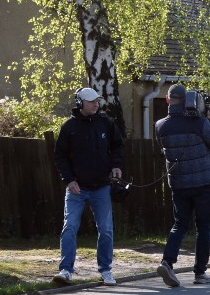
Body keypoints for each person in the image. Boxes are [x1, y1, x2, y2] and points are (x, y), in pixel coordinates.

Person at [52, 88, 123, 286]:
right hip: (76, 188)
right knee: (70, 227)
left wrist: (116, 165)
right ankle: (66, 270)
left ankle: (106, 270)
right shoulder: (69, 127)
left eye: (97, 101)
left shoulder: (106, 123)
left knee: (106, 229)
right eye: (91, 101)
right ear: (80, 102)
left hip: (101, 187)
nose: (96, 104)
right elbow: (60, 156)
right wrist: (69, 179)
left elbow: (118, 145)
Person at [154, 84, 210, 286]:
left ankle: (167, 262)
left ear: (168, 100)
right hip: (203, 183)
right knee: (203, 228)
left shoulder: (160, 126)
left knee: (179, 224)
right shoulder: (200, 123)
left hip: (178, 184)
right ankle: (200, 274)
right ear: (189, 100)